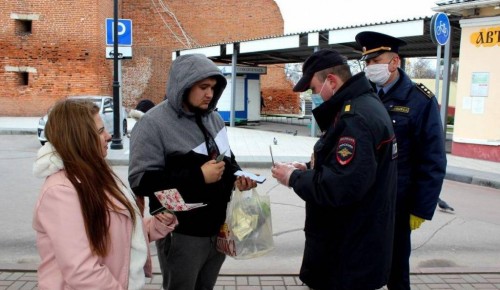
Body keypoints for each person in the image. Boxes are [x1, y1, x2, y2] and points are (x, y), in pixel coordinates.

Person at [271, 48, 398, 290]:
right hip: (354, 247)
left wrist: (294, 178)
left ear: (331, 81)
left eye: (314, 88)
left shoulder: (355, 118)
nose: (314, 95)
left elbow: (341, 186)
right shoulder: (360, 105)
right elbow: (349, 167)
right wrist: (308, 167)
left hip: (346, 256)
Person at [128, 53, 257, 290]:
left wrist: (239, 177)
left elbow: (228, 162)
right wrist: (199, 175)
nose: (210, 94)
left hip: (217, 228)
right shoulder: (152, 124)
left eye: (213, 87)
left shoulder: (214, 119)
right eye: (203, 87)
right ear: (183, 86)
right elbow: (140, 181)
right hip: (181, 233)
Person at [32, 99, 178, 290]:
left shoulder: (97, 174)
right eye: (100, 131)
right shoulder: (61, 192)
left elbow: (120, 230)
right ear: (80, 138)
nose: (108, 136)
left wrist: (157, 224)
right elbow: (82, 271)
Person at [355, 31, 447, 290]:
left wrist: (421, 208)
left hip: (398, 201)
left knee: (396, 271)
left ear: (394, 62)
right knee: (362, 265)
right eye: (367, 62)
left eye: (375, 61)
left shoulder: (420, 101)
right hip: (365, 199)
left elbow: (433, 160)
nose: (369, 67)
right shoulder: (363, 96)